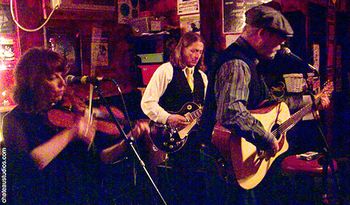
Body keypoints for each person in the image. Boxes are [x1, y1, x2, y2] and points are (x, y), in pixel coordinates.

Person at [203, 5, 331, 205]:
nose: (280, 48)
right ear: (262, 33)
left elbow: (272, 105)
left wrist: (311, 102)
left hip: (239, 161)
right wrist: (267, 138)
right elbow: (230, 113)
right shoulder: (237, 64)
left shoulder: (251, 62)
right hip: (227, 161)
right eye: (278, 43)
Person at [2, 47, 150, 205]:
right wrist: (71, 133)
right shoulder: (15, 120)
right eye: (53, 77)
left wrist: (127, 142)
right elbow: (30, 164)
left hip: (82, 196)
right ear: (33, 82)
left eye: (62, 76)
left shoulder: (69, 113)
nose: (62, 83)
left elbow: (100, 158)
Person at [140, 31, 208, 204]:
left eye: (199, 51)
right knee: (175, 185)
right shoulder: (166, 71)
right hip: (167, 138)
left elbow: (205, 107)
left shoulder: (202, 77)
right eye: (192, 51)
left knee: (196, 185)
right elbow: (147, 103)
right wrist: (168, 117)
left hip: (193, 140)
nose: (196, 55)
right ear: (182, 49)